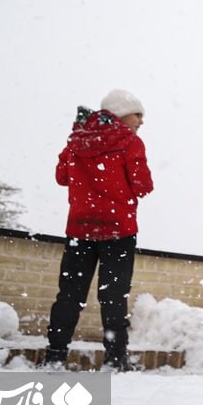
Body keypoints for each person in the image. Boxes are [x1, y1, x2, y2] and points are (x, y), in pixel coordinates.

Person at [42, 89, 154, 371]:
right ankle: (116, 360)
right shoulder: (130, 142)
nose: (141, 121)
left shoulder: (78, 140)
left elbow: (61, 177)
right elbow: (144, 186)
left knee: (69, 295)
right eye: (137, 114)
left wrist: (79, 141)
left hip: (80, 231)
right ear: (120, 113)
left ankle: (55, 355)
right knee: (114, 297)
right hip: (118, 232)